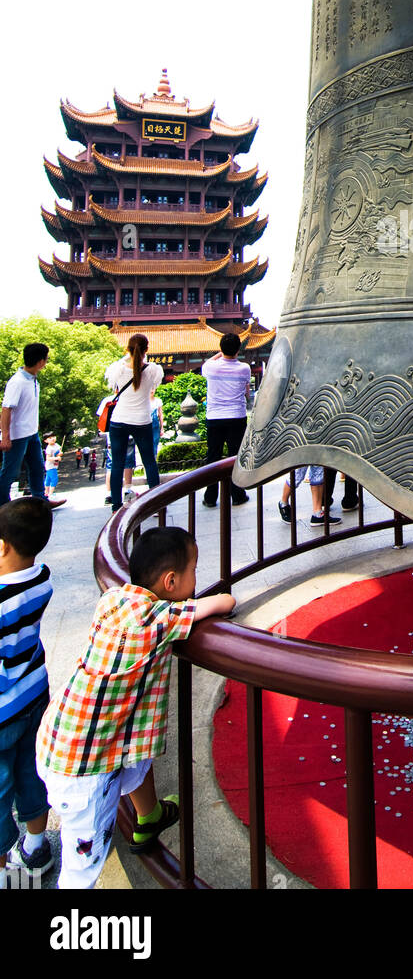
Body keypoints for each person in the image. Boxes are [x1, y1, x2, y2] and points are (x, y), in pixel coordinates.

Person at [36, 528, 234, 888]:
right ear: (171, 581)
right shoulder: (159, 621)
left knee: (135, 762)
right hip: (84, 769)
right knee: (82, 867)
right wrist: (216, 599)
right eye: (194, 570)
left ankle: (149, 817)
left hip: (60, 735)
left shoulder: (113, 600)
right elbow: (223, 604)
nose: (196, 578)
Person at [0, 498, 54, 882]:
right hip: (35, 695)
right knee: (31, 773)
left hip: (2, 714)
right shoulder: (42, 578)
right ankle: (36, 849)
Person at [0, 344, 64, 510]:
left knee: (37, 468)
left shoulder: (33, 380)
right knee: (9, 472)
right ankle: (3, 506)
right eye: (46, 359)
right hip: (17, 435)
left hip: (32, 433)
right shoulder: (17, 382)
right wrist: (6, 436)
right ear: (41, 361)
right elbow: (6, 409)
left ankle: (41, 500)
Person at [104, 336, 163, 515]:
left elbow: (111, 381)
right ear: (147, 349)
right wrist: (140, 356)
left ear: (127, 349)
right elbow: (155, 383)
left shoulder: (117, 369)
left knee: (117, 464)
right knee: (149, 462)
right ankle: (156, 504)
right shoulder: (153, 370)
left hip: (119, 421)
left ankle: (116, 507)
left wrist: (128, 356)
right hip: (141, 420)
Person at [201, 335, 251, 508]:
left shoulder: (210, 367)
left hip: (214, 417)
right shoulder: (244, 369)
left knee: (213, 456)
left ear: (221, 349)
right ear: (238, 350)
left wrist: (219, 353)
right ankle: (237, 494)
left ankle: (210, 497)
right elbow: (247, 393)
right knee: (235, 456)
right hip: (236, 416)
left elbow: (208, 363)